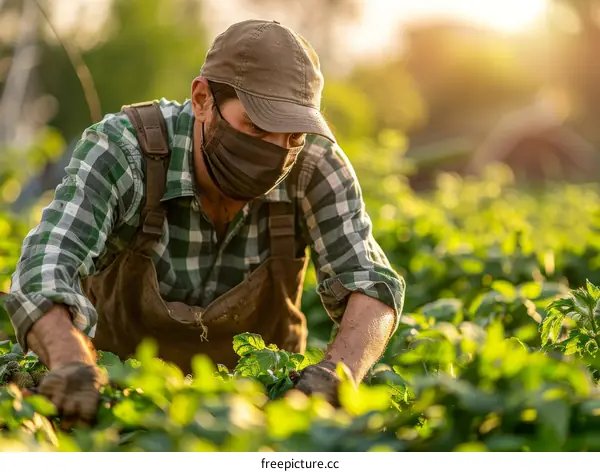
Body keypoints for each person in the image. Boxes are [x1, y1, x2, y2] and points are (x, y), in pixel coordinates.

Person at [4, 19, 405, 424]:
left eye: (293, 136)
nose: (276, 152)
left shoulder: (315, 165)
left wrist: (338, 373)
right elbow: (43, 269)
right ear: (201, 100)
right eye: (259, 126)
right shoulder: (125, 153)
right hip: (114, 407)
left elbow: (371, 284)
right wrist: (71, 360)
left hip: (261, 417)